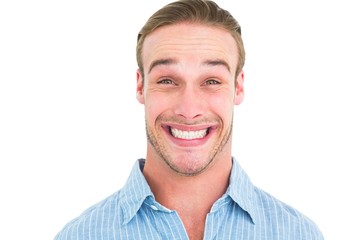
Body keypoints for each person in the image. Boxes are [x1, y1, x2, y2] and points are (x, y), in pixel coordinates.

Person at [55, 0, 324, 239]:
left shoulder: (299, 234)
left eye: (211, 81)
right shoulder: (79, 236)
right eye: (167, 80)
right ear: (141, 87)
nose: (189, 109)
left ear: (238, 88)